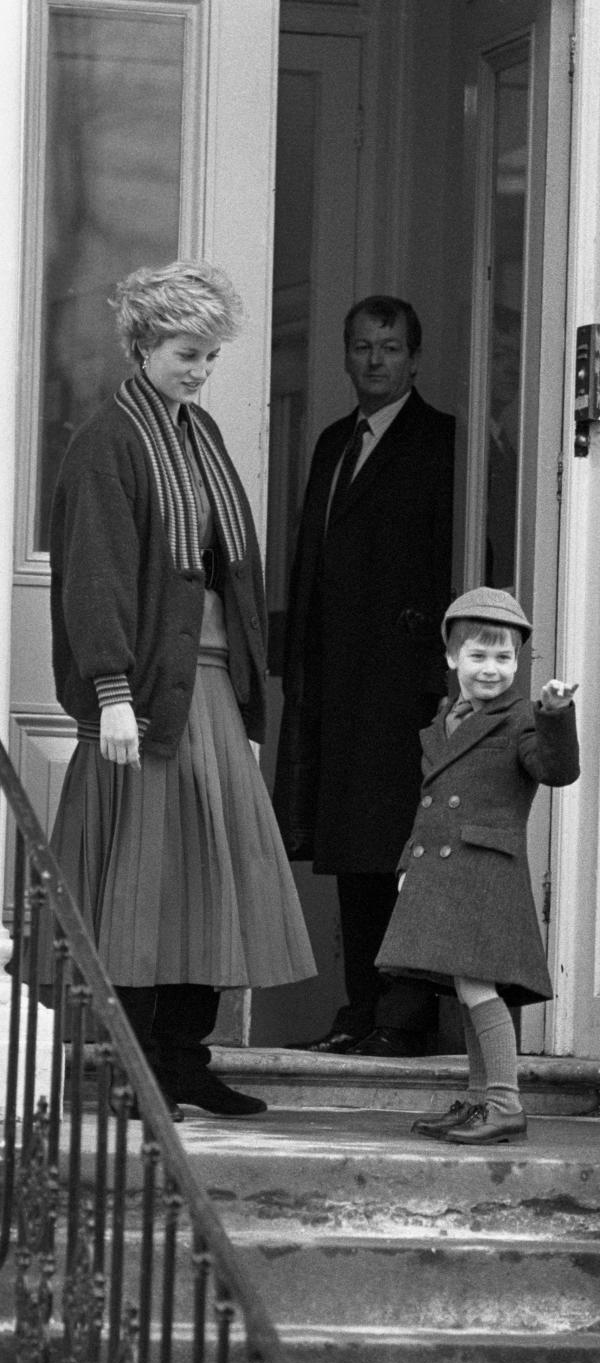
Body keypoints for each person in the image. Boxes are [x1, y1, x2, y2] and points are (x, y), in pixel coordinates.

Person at [47, 259, 317, 1120]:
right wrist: (112, 693)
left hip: (206, 691)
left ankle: (184, 1061)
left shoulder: (200, 440)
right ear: (142, 346)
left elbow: (232, 581)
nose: (199, 371)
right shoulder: (107, 444)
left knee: (207, 882)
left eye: (208, 356)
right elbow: (95, 579)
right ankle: (131, 1069)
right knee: (138, 887)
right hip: (144, 696)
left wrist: (244, 701)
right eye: (185, 353)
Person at [274, 295, 454, 1057]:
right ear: (344, 356)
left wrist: (440, 667)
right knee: (351, 850)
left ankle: (405, 1015)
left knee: (402, 849)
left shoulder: (444, 441)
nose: (374, 361)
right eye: (360, 347)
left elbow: (453, 552)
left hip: (405, 680)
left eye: (389, 347)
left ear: (415, 358)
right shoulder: (331, 443)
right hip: (338, 680)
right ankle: (362, 1006)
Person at [373, 587, 580, 1144]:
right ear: (451, 658)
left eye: (504, 658)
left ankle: (505, 1101)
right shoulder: (443, 722)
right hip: (442, 873)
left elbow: (556, 771)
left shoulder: (522, 719)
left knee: (476, 987)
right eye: (478, 656)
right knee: (466, 988)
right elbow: (429, 804)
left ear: (519, 662)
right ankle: (478, 1097)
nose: (491, 669)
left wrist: (556, 714)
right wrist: (405, 864)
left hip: (486, 875)